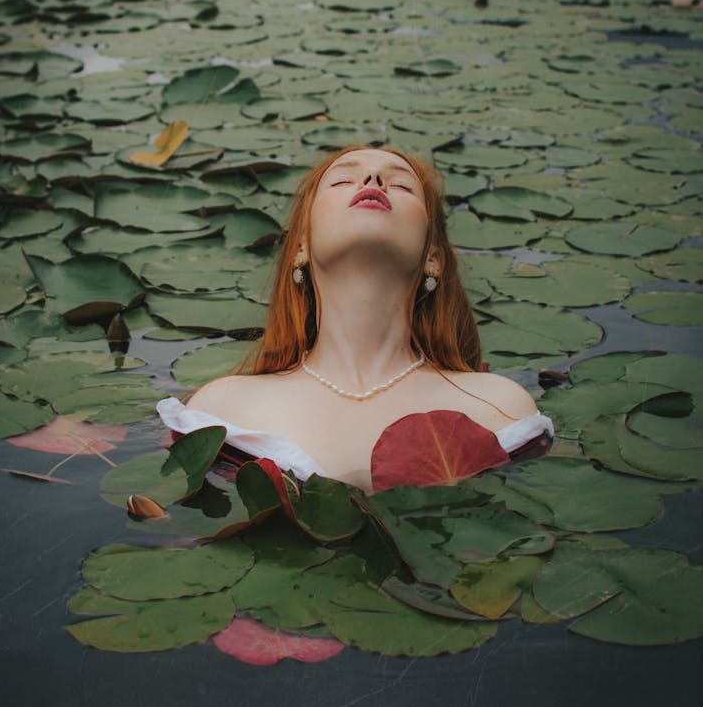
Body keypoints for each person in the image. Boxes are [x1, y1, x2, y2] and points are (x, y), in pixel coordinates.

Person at [157, 146, 552, 493]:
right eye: (343, 179)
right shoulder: (222, 410)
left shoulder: (498, 407)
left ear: (434, 257)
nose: (373, 178)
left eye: (401, 185)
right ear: (301, 248)